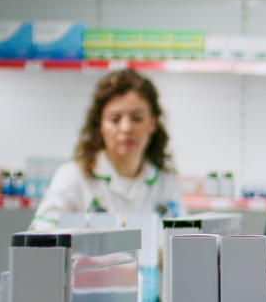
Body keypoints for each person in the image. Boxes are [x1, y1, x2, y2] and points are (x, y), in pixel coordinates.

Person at [31, 69, 185, 230]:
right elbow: (40, 239)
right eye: (115, 119)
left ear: (153, 123)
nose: (126, 128)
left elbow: (181, 243)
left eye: (137, 118)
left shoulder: (166, 185)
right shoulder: (73, 177)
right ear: (100, 124)